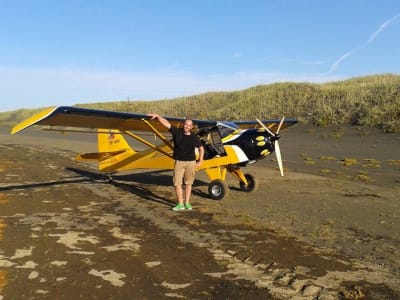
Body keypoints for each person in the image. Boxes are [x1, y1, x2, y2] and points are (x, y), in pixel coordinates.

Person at [148, 113, 204, 211]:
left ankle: (187, 203)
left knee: (188, 184)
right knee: (177, 183)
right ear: (184, 124)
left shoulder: (194, 137)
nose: (187, 126)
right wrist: (157, 116)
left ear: (191, 127)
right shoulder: (177, 132)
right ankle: (180, 204)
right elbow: (166, 123)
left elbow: (201, 148)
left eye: (189, 125)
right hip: (179, 162)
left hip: (191, 163)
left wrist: (200, 161)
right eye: (185, 124)